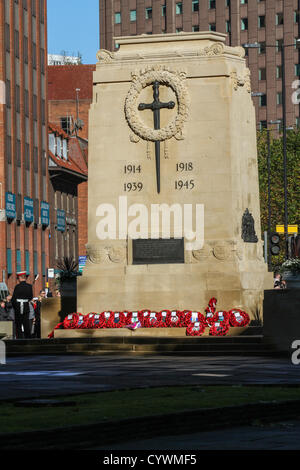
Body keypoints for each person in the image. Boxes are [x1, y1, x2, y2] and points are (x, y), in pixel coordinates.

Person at [11, 271, 33, 339]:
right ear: (25, 278)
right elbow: (30, 297)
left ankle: (19, 340)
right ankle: (28, 339)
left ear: (20, 278)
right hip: (26, 307)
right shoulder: (29, 286)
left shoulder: (17, 286)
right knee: (26, 324)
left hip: (18, 307)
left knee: (18, 325)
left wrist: (15, 307)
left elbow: (13, 299)